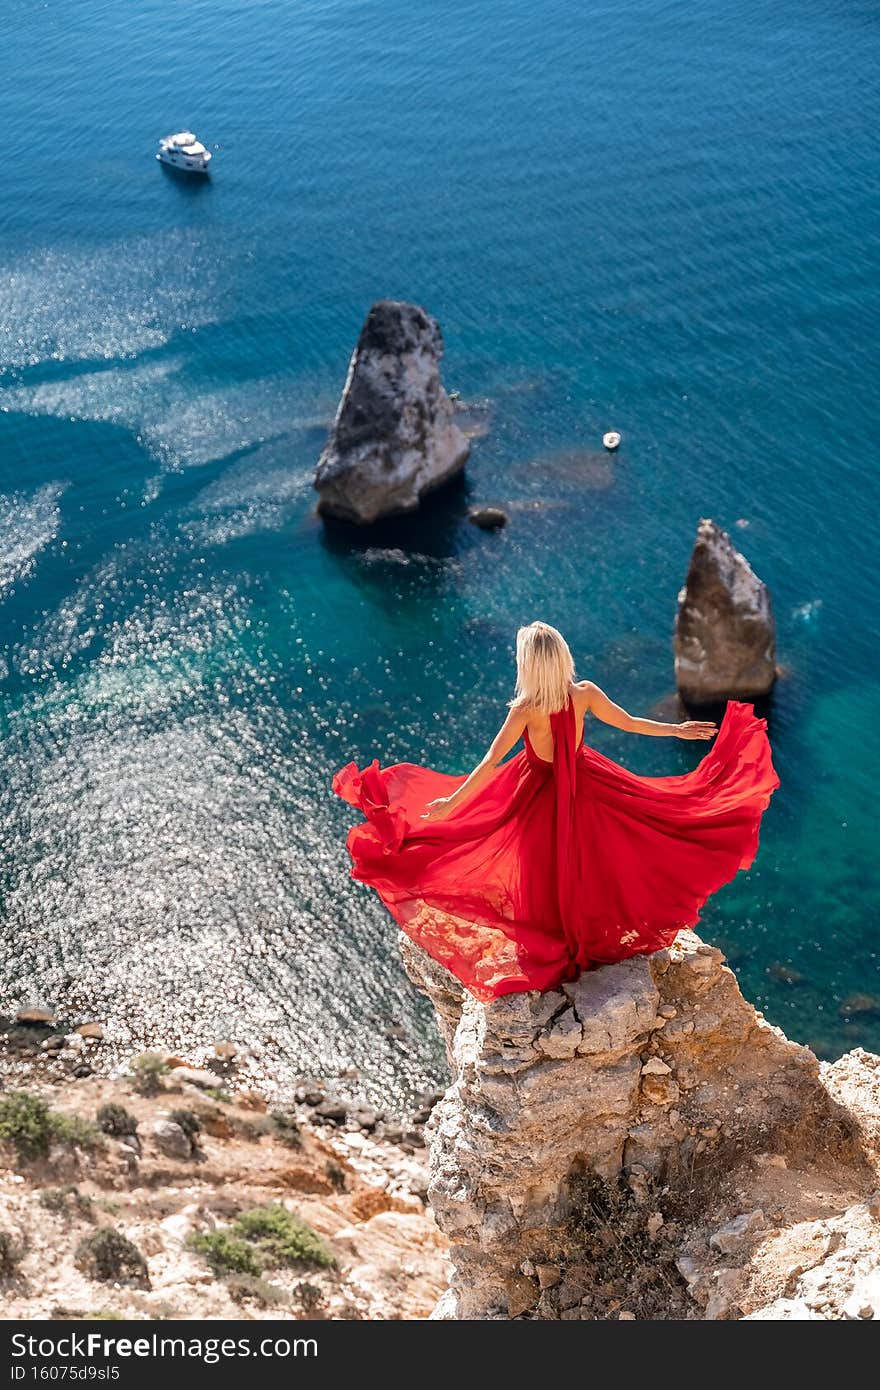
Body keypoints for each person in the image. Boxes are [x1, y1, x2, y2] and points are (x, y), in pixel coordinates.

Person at [333, 621, 778, 1000]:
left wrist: (454, 802)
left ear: (529, 665)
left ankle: (551, 938)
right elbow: (630, 723)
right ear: (562, 658)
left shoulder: (525, 709)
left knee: (528, 862)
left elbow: (490, 763)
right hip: (588, 784)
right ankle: (592, 931)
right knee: (628, 840)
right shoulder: (583, 693)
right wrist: (676, 731)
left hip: (537, 792)